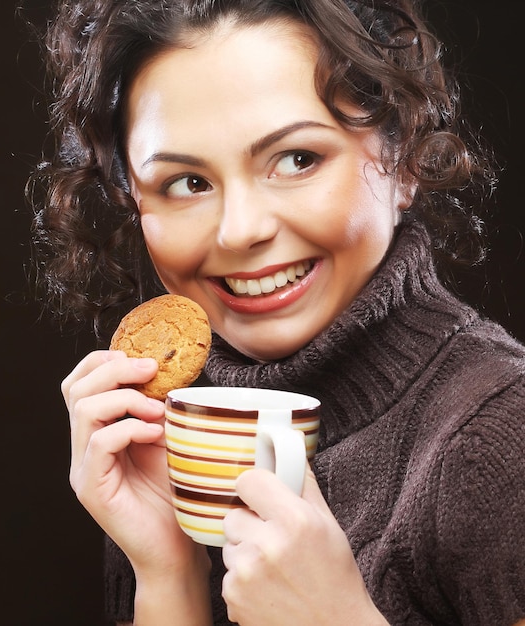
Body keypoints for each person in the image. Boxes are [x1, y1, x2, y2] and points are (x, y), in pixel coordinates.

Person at [28, 0, 525, 624]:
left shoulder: (499, 439)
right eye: (187, 183)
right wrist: (169, 572)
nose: (240, 231)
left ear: (405, 156)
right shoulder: (165, 439)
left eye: (296, 160)